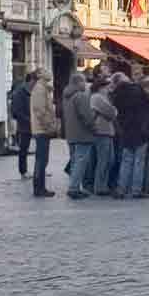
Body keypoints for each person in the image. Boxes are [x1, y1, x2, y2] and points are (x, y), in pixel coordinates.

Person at [111, 72, 149, 200]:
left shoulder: (116, 95)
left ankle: (121, 189)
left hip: (126, 129)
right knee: (138, 161)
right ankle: (136, 190)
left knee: (126, 160)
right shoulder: (137, 90)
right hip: (140, 129)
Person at [62, 70, 98, 200]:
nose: (86, 83)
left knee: (75, 161)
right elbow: (86, 116)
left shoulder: (67, 95)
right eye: (84, 81)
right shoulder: (80, 96)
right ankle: (74, 188)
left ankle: (74, 186)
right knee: (80, 162)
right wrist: (94, 127)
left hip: (71, 133)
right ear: (78, 82)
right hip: (82, 133)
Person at [26, 70, 58, 197]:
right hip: (42, 130)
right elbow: (40, 111)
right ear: (39, 75)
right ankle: (39, 188)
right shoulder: (40, 89)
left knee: (43, 159)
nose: (49, 73)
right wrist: (48, 126)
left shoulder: (44, 88)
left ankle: (40, 187)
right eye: (45, 71)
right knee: (41, 160)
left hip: (43, 129)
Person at [88, 75, 121, 197]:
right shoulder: (97, 97)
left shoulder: (103, 97)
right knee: (103, 160)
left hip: (107, 131)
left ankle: (103, 184)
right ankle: (99, 186)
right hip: (101, 131)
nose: (109, 88)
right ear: (101, 87)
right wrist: (114, 111)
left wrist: (113, 111)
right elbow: (111, 112)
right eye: (107, 86)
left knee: (109, 159)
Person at [7, 75, 32, 179]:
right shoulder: (21, 92)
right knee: (23, 149)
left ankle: (25, 171)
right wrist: (28, 119)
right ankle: (23, 171)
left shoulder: (26, 91)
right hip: (24, 125)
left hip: (28, 124)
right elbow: (17, 111)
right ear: (29, 81)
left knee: (24, 148)